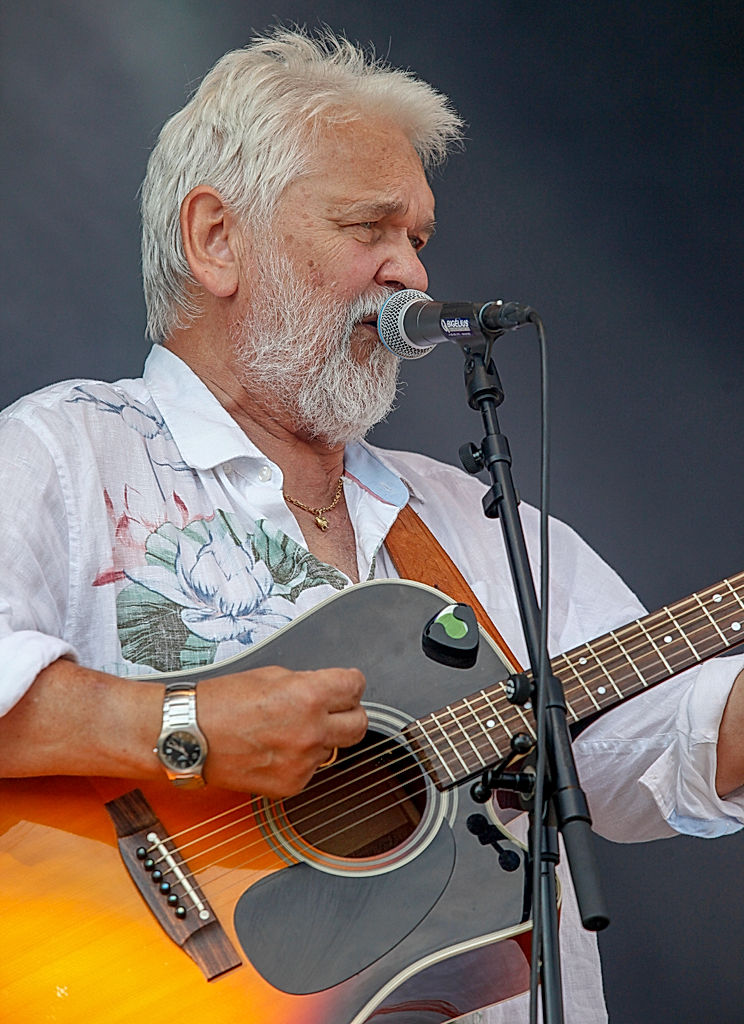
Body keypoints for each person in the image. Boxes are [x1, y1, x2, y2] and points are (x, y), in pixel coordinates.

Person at [1, 26, 743, 1023]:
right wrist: (185, 727)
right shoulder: (62, 456)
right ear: (216, 239)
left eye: (420, 239)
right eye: (369, 228)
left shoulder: (474, 525)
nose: (413, 277)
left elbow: (677, 746)